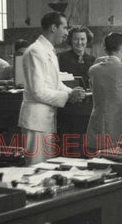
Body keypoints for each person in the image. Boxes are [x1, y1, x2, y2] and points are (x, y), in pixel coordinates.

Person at [18, 12, 86, 165]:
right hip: (36, 121)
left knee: (45, 167)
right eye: (65, 28)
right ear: (54, 28)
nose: (67, 33)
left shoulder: (48, 50)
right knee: (35, 168)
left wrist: (72, 91)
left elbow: (55, 83)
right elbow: (38, 91)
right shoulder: (35, 51)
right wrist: (68, 96)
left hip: (45, 119)